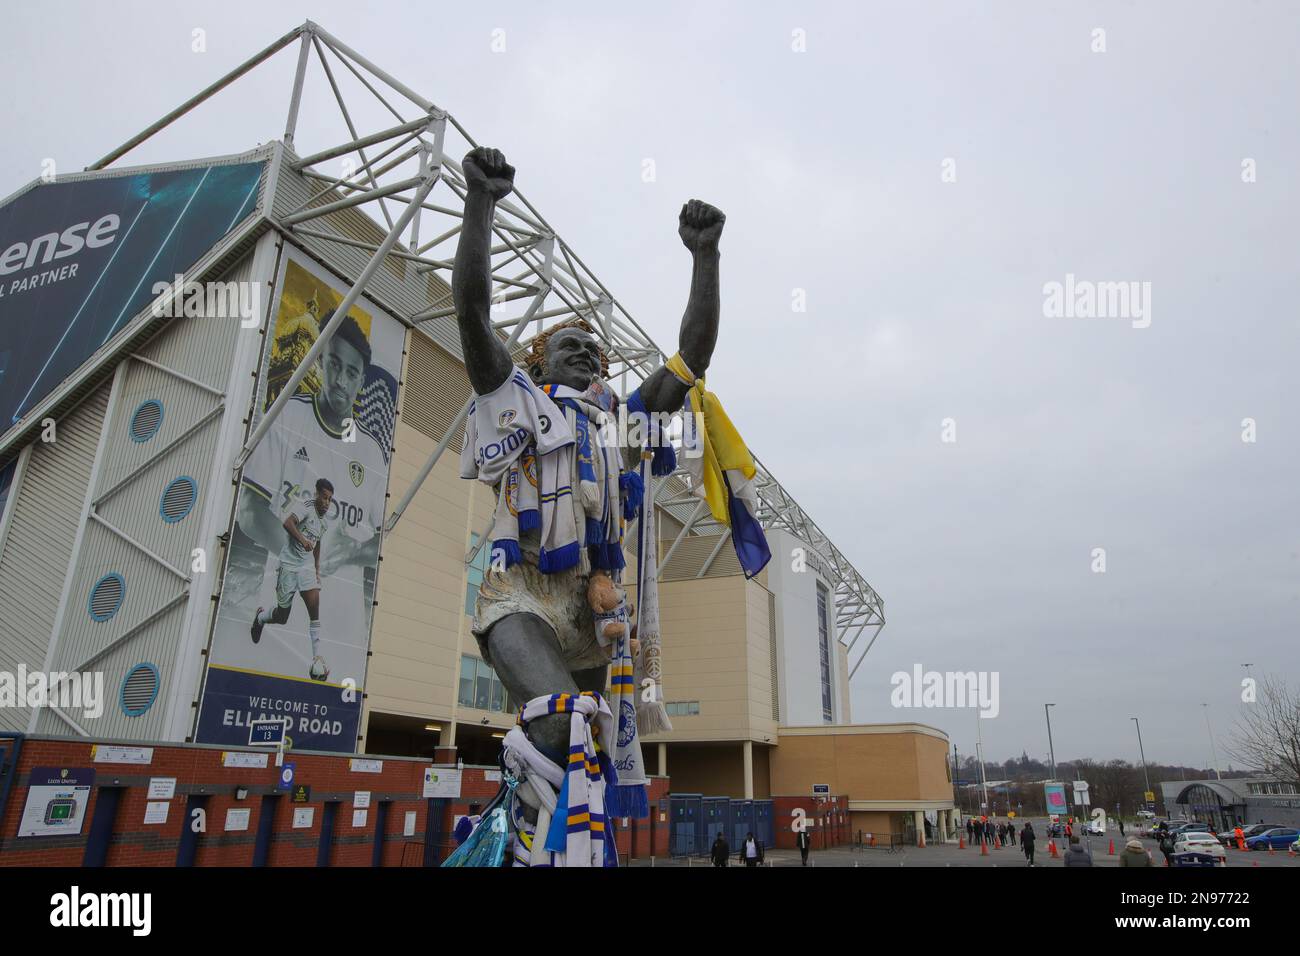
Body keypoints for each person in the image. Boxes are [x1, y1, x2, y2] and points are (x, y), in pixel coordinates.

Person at [249, 477, 334, 680]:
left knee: (315, 609)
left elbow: (318, 543)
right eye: (324, 497)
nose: (327, 503)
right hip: (288, 566)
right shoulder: (305, 507)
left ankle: (317, 659)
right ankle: (260, 618)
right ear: (316, 494)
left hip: (305, 570)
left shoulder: (323, 523)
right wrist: (303, 539)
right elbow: (288, 523)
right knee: (282, 616)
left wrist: (316, 570)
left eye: (330, 500)